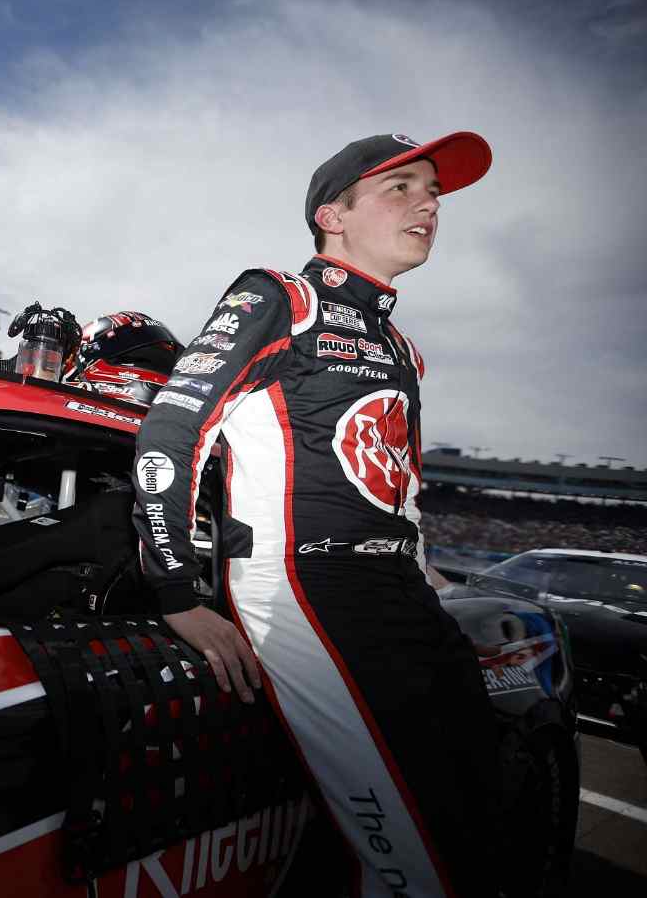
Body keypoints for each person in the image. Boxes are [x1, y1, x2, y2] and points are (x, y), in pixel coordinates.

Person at [131, 132, 500, 897]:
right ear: (332, 214)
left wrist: (421, 570)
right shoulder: (279, 297)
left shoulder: (401, 346)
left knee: (476, 818)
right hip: (302, 587)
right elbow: (172, 429)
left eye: (433, 191)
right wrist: (176, 593)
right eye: (401, 188)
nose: (429, 204)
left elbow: (401, 482)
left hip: (399, 594)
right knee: (423, 863)